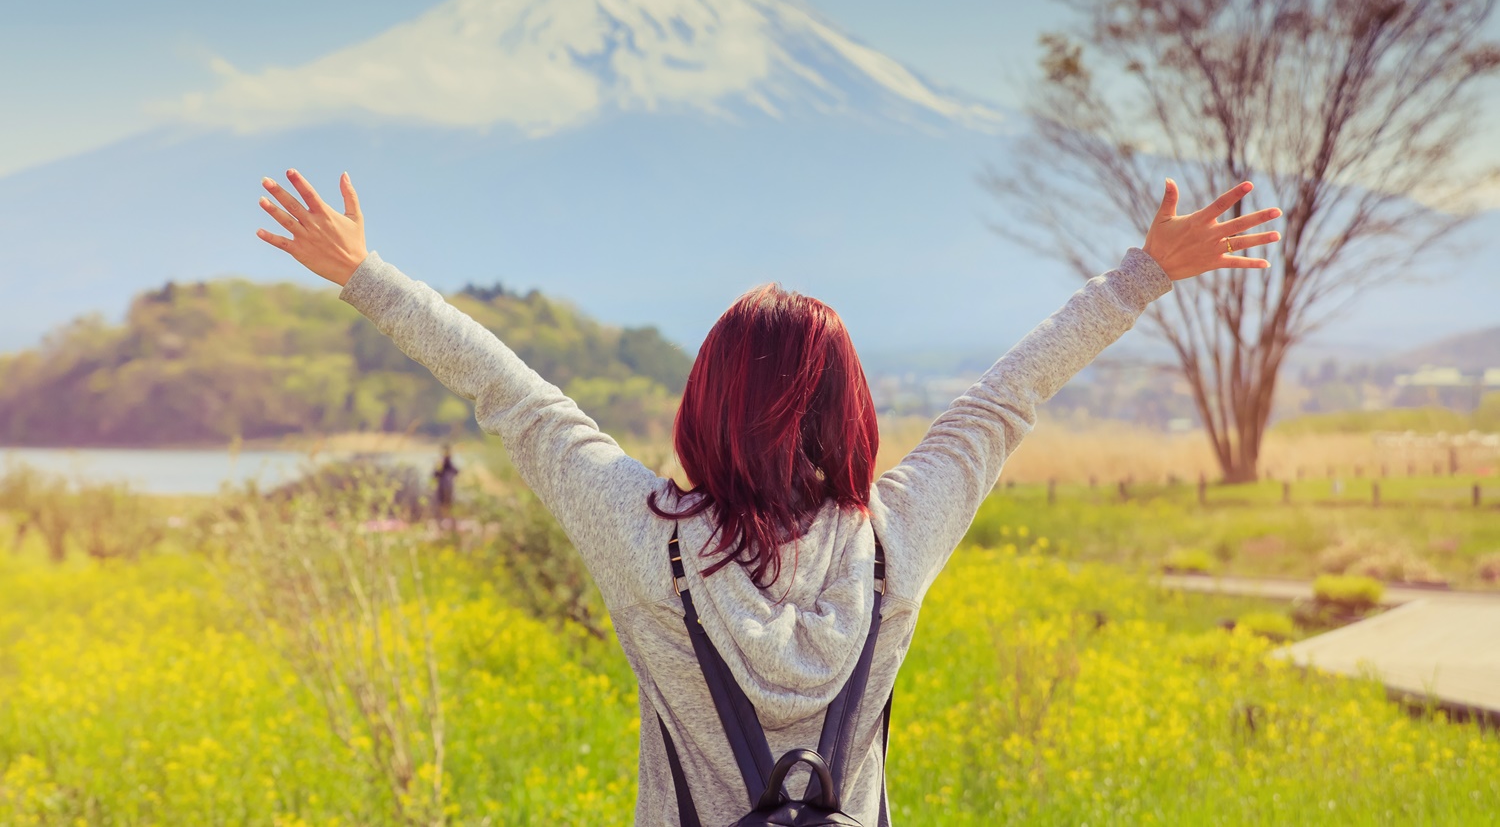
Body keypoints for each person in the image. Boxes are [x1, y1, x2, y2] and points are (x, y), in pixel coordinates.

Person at [255, 167, 1280, 825]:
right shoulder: (894, 539)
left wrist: (362, 273)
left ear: (707, 401)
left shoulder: (639, 533)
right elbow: (1008, 397)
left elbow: (514, 397)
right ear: (852, 412)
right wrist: (1144, 273)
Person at [433, 445, 459, 523]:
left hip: (448, 487)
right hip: (442, 486)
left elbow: (456, 472)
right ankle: (444, 520)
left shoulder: (449, 463)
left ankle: (447, 520)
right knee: (442, 503)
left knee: (448, 504)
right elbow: (435, 474)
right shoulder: (441, 463)